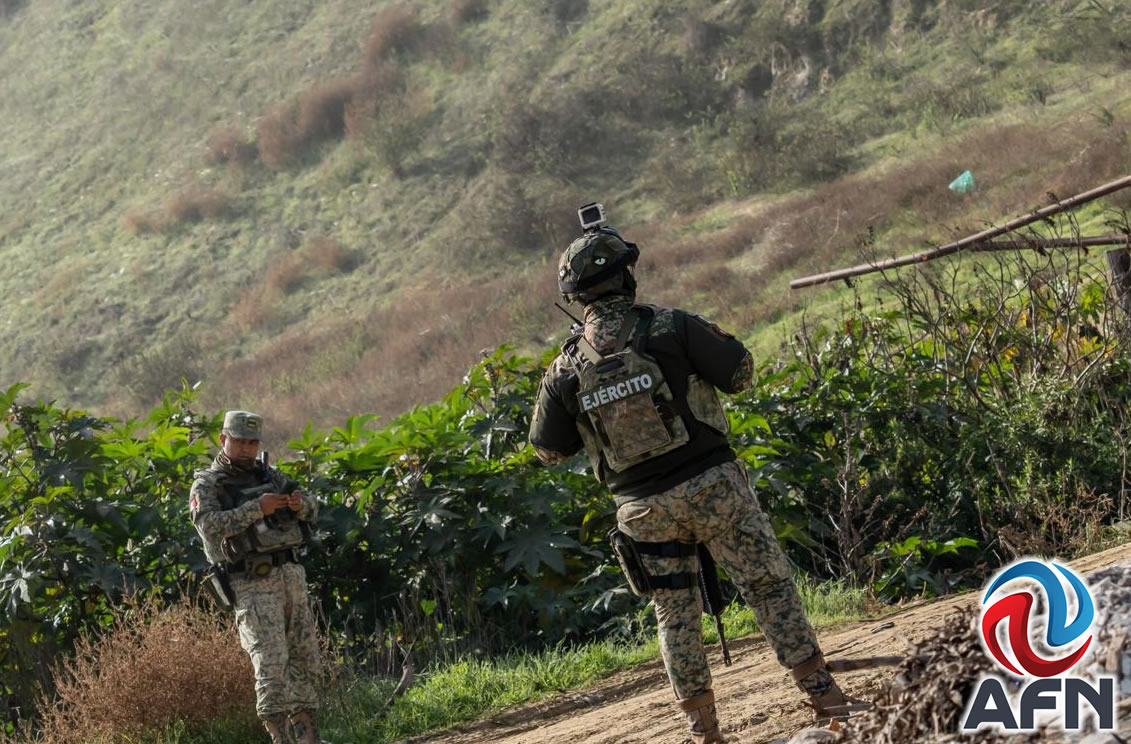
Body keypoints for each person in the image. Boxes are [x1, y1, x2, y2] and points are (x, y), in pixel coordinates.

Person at [528, 227, 860, 744]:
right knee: (768, 588)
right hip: (714, 489)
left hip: (642, 511)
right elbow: (742, 372)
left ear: (576, 298)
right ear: (627, 278)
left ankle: (704, 732)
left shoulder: (564, 368)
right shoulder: (670, 326)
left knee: (674, 616)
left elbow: (549, 451)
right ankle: (825, 698)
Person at [189, 410, 329, 744]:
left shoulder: (270, 474)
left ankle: (308, 738)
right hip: (252, 583)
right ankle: (281, 739)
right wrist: (256, 509)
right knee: (271, 663)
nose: (247, 448)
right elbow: (207, 526)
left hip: (290, 576)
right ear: (224, 439)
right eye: (240, 441)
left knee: (304, 658)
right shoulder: (208, 484)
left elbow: (315, 506)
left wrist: (298, 505)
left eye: (253, 442)